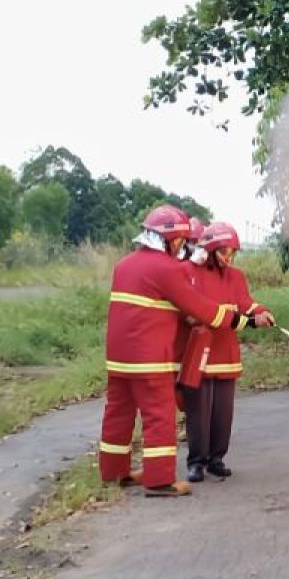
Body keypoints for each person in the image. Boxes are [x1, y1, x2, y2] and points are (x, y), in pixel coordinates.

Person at [99, 205, 255, 497]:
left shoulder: (124, 265)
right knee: (159, 414)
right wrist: (238, 319)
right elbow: (201, 308)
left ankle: (113, 471)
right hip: (149, 358)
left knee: (118, 412)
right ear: (168, 239)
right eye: (181, 241)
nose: (183, 247)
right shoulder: (166, 269)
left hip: (118, 358)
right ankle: (159, 482)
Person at [182, 222, 275, 482]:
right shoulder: (190, 272)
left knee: (223, 412)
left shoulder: (235, 276)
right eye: (224, 252)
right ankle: (196, 462)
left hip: (226, 353)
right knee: (199, 412)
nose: (228, 258)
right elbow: (194, 310)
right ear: (210, 250)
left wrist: (260, 311)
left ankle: (216, 459)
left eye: (232, 252)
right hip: (200, 352)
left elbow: (244, 302)